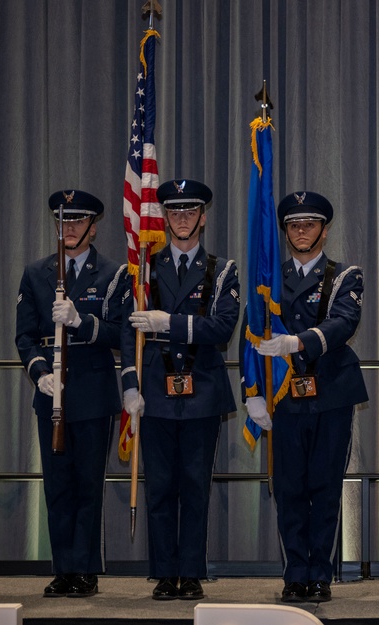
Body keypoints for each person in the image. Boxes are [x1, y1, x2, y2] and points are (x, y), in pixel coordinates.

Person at [241, 191, 367, 603]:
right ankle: (295, 572)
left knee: (325, 487)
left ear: (324, 230)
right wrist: (253, 394)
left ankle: (321, 573)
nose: (301, 231)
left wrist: (298, 341)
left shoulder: (345, 275)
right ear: (284, 232)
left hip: (329, 393)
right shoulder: (269, 281)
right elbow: (251, 338)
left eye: (309, 224)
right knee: (290, 488)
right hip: (285, 398)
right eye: (294, 225)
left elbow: (344, 323)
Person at [120, 179, 240, 600]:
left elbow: (222, 327)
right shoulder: (143, 267)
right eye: (174, 212)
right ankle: (164, 572)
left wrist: (167, 323)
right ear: (165, 219)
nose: (183, 218)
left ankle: (190, 571)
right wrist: (130, 384)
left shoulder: (222, 270)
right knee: (160, 485)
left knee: (194, 485)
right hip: (154, 386)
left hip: (202, 386)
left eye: (190, 212)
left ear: (203, 218)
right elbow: (125, 330)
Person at [15, 189, 129, 598]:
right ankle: (62, 568)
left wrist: (82, 321)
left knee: (87, 485)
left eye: (78, 221)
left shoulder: (113, 274)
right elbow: (24, 335)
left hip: (93, 392)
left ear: (93, 228)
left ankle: (85, 569)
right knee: (57, 485)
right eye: (64, 221)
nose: (70, 228)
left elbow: (121, 334)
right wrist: (39, 371)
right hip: (51, 393)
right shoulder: (36, 272)